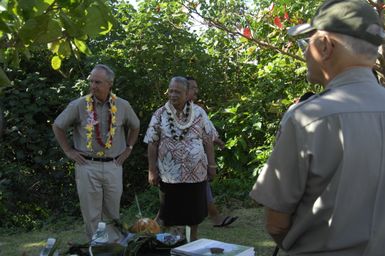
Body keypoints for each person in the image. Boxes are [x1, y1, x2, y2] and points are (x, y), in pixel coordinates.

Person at [250, 0, 385, 255]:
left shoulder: (307, 118)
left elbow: (276, 224)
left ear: (324, 45)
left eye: (306, 42)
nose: (304, 52)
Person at [52, 64, 140, 242]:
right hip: (87, 165)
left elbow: (135, 126)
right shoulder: (78, 105)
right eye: (91, 81)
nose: (93, 85)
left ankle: (114, 245)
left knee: (113, 210)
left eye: (98, 82)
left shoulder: (122, 105)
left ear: (109, 84)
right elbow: (58, 125)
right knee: (91, 212)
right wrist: (68, 151)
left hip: (114, 164)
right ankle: (96, 245)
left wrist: (128, 149)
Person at [144, 76, 216, 241]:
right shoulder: (160, 114)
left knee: (194, 213)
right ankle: (170, 243)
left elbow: (208, 140)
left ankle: (193, 242)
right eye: (171, 91)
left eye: (178, 91)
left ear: (186, 94)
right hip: (170, 175)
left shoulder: (198, 113)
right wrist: (152, 170)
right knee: (169, 214)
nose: (173, 95)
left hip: (196, 173)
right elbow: (152, 143)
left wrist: (212, 166)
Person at [186, 76, 238, 227]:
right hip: (175, 163)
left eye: (196, 87)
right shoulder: (168, 111)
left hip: (196, 160)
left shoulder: (197, 110)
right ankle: (159, 223)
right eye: (193, 87)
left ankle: (215, 217)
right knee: (174, 193)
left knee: (202, 186)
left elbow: (208, 132)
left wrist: (217, 142)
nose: (197, 90)